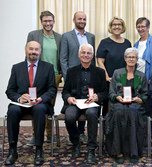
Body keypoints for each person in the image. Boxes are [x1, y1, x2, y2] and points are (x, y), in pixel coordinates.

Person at [5, 41, 56, 165]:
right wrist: (18, 98)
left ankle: (39, 149)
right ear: (26, 50)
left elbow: (52, 89)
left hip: (40, 103)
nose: (33, 52)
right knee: (12, 110)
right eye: (31, 49)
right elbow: (10, 90)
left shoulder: (48, 67)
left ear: (40, 52)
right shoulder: (16, 68)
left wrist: (42, 98)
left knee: (39, 110)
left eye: (36, 49)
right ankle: (12, 150)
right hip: (21, 104)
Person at [61, 44, 107, 164]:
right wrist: (68, 98)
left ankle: (91, 149)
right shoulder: (71, 71)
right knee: (69, 117)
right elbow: (65, 91)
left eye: (88, 53)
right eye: (83, 53)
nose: (86, 55)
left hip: (91, 104)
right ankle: (76, 143)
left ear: (92, 56)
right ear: (79, 54)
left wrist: (98, 96)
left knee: (92, 115)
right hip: (75, 103)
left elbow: (105, 92)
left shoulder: (100, 72)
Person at [105, 47, 148, 164]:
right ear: (125, 58)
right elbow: (111, 92)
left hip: (135, 105)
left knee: (133, 113)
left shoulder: (141, 75)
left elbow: (145, 94)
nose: (131, 59)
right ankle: (118, 151)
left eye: (133, 57)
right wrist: (117, 97)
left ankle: (134, 152)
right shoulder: (117, 73)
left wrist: (139, 99)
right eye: (129, 57)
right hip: (119, 103)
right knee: (119, 113)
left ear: (137, 59)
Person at [26, 10, 62, 146]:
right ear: (41, 22)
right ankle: (36, 135)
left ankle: (49, 133)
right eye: (45, 21)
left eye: (50, 21)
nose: (48, 23)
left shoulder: (59, 37)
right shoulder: (33, 35)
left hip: (55, 75)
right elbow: (28, 53)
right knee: (35, 103)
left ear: (53, 21)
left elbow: (62, 56)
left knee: (48, 105)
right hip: (36, 74)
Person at [60, 11, 95, 144]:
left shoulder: (91, 36)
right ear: (74, 20)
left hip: (88, 75)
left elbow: (93, 57)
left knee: (86, 101)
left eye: (84, 19)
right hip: (73, 76)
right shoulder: (66, 36)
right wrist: (67, 76)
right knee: (73, 106)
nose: (82, 21)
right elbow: (63, 58)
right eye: (79, 19)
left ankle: (81, 133)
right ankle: (74, 136)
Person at [133, 17, 152, 138]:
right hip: (138, 79)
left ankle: (149, 129)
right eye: (138, 26)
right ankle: (140, 130)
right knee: (139, 104)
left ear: (148, 27)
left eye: (143, 26)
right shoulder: (136, 44)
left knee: (148, 105)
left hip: (150, 78)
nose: (140, 29)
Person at [97, 16, 131, 115]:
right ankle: (106, 128)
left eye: (119, 24)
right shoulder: (104, 42)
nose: (117, 27)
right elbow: (100, 61)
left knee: (123, 105)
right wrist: (107, 77)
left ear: (122, 27)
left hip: (124, 80)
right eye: (114, 25)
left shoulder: (127, 43)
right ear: (111, 27)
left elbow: (130, 61)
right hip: (109, 80)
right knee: (108, 106)